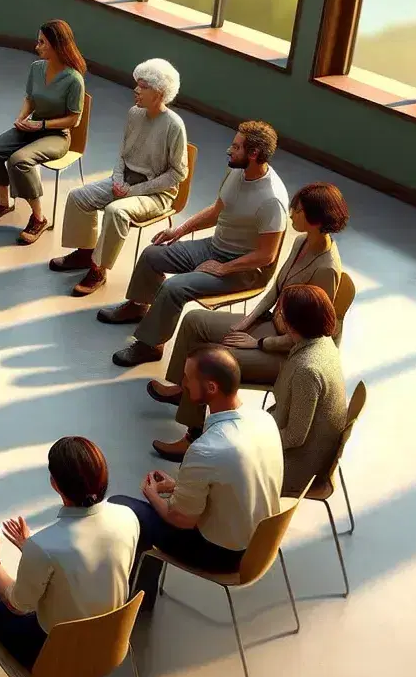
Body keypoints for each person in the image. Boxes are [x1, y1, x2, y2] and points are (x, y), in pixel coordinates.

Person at [148, 182, 349, 455]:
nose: (291, 214)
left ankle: (193, 436)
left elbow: (309, 335)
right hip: (272, 324)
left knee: (216, 359)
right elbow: (276, 289)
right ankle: (185, 390)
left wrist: (258, 343)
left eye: (298, 210)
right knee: (195, 320)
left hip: (286, 351)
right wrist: (249, 319)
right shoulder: (302, 241)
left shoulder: (326, 268)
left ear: (314, 218)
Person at [0, 437, 139, 677]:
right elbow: (87, 566)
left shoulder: (44, 546)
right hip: (109, 648)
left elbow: (17, 605)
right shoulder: (127, 517)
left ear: (55, 483)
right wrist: (31, 548)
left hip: (51, 658)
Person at [99, 121, 288, 367]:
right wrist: (179, 230)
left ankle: (151, 345)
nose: (229, 150)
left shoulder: (272, 200)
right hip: (214, 247)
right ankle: (138, 307)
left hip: (244, 270)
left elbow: (266, 255)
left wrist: (224, 268)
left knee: (174, 288)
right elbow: (217, 211)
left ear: (253, 154)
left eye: (236, 146)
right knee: (152, 255)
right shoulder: (236, 171)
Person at [111, 346, 283, 577]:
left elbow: (180, 519)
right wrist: (179, 487)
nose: (183, 383)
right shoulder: (264, 419)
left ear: (211, 387)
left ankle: (140, 594)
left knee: (120, 505)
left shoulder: (206, 449)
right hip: (261, 543)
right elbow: (234, 482)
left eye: (188, 378)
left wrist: (151, 493)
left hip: (222, 555)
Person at [48, 58, 190, 294]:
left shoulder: (174, 126)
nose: (136, 90)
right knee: (78, 197)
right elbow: (122, 155)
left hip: (155, 193)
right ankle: (86, 252)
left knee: (116, 211)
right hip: (123, 182)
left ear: (159, 93)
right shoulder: (134, 113)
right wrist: (118, 181)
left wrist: (132, 191)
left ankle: (98, 269)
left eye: (143, 86)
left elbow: (178, 173)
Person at [0, 20, 88, 245]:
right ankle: (3, 203)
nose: (37, 46)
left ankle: (38, 217)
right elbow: (29, 99)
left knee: (19, 160)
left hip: (56, 136)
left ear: (56, 45)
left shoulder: (74, 79)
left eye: (42, 42)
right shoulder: (36, 68)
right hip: (31, 127)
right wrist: (20, 118)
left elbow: (74, 120)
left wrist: (42, 126)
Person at [266, 285, 348, 498]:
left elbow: (294, 437)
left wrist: (256, 441)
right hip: (314, 449)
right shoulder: (324, 342)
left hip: (298, 467)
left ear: (293, 324)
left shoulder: (307, 370)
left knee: (225, 463)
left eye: (281, 313)